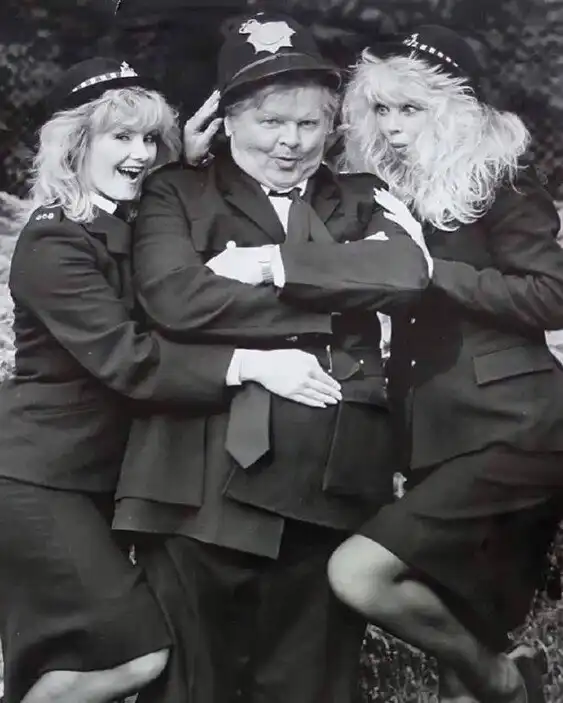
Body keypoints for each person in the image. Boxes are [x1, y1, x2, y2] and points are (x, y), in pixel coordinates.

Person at [0, 56, 343, 703]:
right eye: (120, 137)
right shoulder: (55, 242)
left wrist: (175, 165)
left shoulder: (120, 221)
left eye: (149, 139)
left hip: (90, 476)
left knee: (78, 658)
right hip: (38, 477)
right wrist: (250, 363)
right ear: (75, 145)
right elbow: (130, 358)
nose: (139, 154)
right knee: (135, 654)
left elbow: (153, 249)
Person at [111, 12, 430, 703]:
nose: (291, 141)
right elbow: (174, 297)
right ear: (227, 119)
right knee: (194, 685)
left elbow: (407, 274)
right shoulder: (176, 191)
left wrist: (268, 266)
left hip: (330, 480)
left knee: (312, 683)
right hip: (198, 483)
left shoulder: (360, 197)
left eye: (309, 123)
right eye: (270, 121)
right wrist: (336, 298)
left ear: (330, 126)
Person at [324, 25, 563, 703]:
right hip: (438, 434)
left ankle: (504, 678)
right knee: (459, 633)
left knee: (359, 573)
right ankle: (498, 675)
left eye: (411, 108)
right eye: (380, 109)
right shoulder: (386, 190)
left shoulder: (499, 180)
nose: (392, 126)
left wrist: (432, 271)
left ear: (455, 109)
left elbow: (552, 294)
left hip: (516, 428)